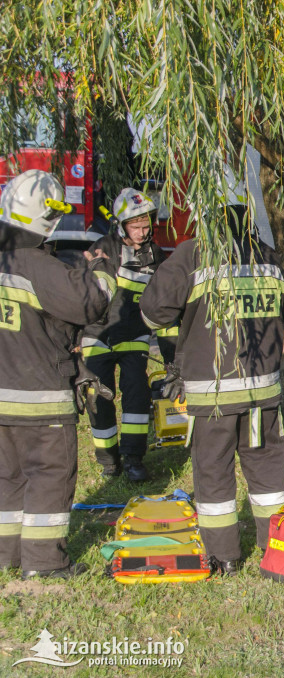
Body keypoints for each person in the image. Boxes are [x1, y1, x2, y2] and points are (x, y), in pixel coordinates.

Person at [139, 173, 284, 575]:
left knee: (213, 468)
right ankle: (276, 547)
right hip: (263, 393)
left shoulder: (193, 254)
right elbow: (283, 312)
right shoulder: (268, 257)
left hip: (214, 395)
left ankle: (224, 556)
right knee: (268, 469)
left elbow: (153, 310)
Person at [0, 169, 116, 579]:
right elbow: (91, 304)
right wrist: (101, 269)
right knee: (49, 475)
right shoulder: (38, 266)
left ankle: (8, 555)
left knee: (8, 478)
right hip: (40, 401)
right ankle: (45, 564)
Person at [81, 188, 171, 481]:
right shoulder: (102, 248)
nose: (143, 232)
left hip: (134, 335)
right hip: (98, 334)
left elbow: (162, 301)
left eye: (147, 226)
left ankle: (133, 458)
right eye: (136, 226)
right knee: (99, 398)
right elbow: (82, 298)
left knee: (136, 394)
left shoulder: (154, 255)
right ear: (121, 225)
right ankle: (109, 461)